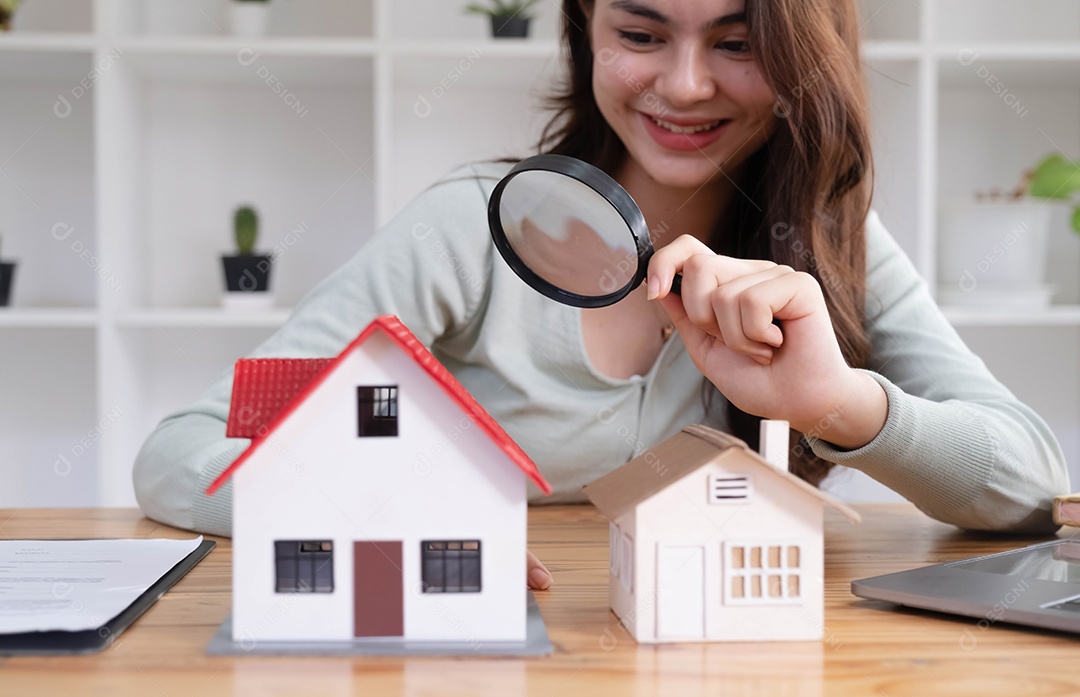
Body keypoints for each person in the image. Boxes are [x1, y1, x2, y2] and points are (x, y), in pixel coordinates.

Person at [133, 0, 1070, 591]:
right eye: (640, 34)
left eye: (738, 41)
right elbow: (182, 449)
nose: (685, 85)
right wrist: (374, 509)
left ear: (803, 56)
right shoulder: (470, 227)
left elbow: (1031, 483)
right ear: (586, 30)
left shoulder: (827, 240)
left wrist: (837, 403)